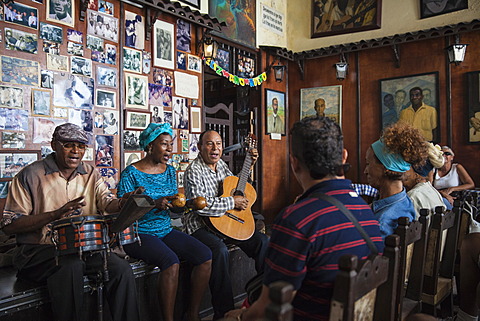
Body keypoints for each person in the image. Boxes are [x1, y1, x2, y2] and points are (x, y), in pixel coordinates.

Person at [225, 116, 384, 320]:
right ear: (343, 157)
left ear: (294, 163)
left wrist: (239, 317)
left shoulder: (296, 220)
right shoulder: (367, 211)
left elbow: (270, 307)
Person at [0, 123, 140, 321]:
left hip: (82, 248)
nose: (76, 151)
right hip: (37, 251)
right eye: (68, 145)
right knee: (70, 266)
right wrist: (55, 214)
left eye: (81, 146)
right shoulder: (29, 175)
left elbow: (107, 203)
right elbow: (10, 225)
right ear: (54, 145)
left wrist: (124, 203)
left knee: (120, 269)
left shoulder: (91, 173)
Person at [117, 123, 212, 321]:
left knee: (205, 255)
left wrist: (186, 205)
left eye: (171, 144)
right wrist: (153, 204)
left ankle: (192, 314)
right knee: (171, 262)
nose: (169, 149)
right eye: (164, 144)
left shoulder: (169, 171)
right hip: (137, 233)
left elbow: (171, 204)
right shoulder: (131, 173)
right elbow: (123, 207)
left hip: (165, 229)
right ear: (150, 146)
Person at [183, 129, 269, 320]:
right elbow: (201, 206)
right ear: (200, 147)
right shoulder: (193, 171)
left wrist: (250, 165)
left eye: (219, 144)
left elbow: (234, 186)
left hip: (227, 223)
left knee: (263, 242)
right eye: (210, 144)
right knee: (219, 251)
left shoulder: (220, 165)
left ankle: (263, 298)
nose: (215, 148)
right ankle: (224, 312)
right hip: (200, 226)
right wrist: (232, 203)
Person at [364, 122, 428, 237]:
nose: (365, 171)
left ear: (385, 167)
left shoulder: (382, 223)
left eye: (368, 164)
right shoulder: (404, 201)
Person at [402, 143, 446, 218]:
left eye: (407, 166)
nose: (403, 170)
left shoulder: (412, 197)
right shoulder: (431, 190)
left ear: (417, 174)